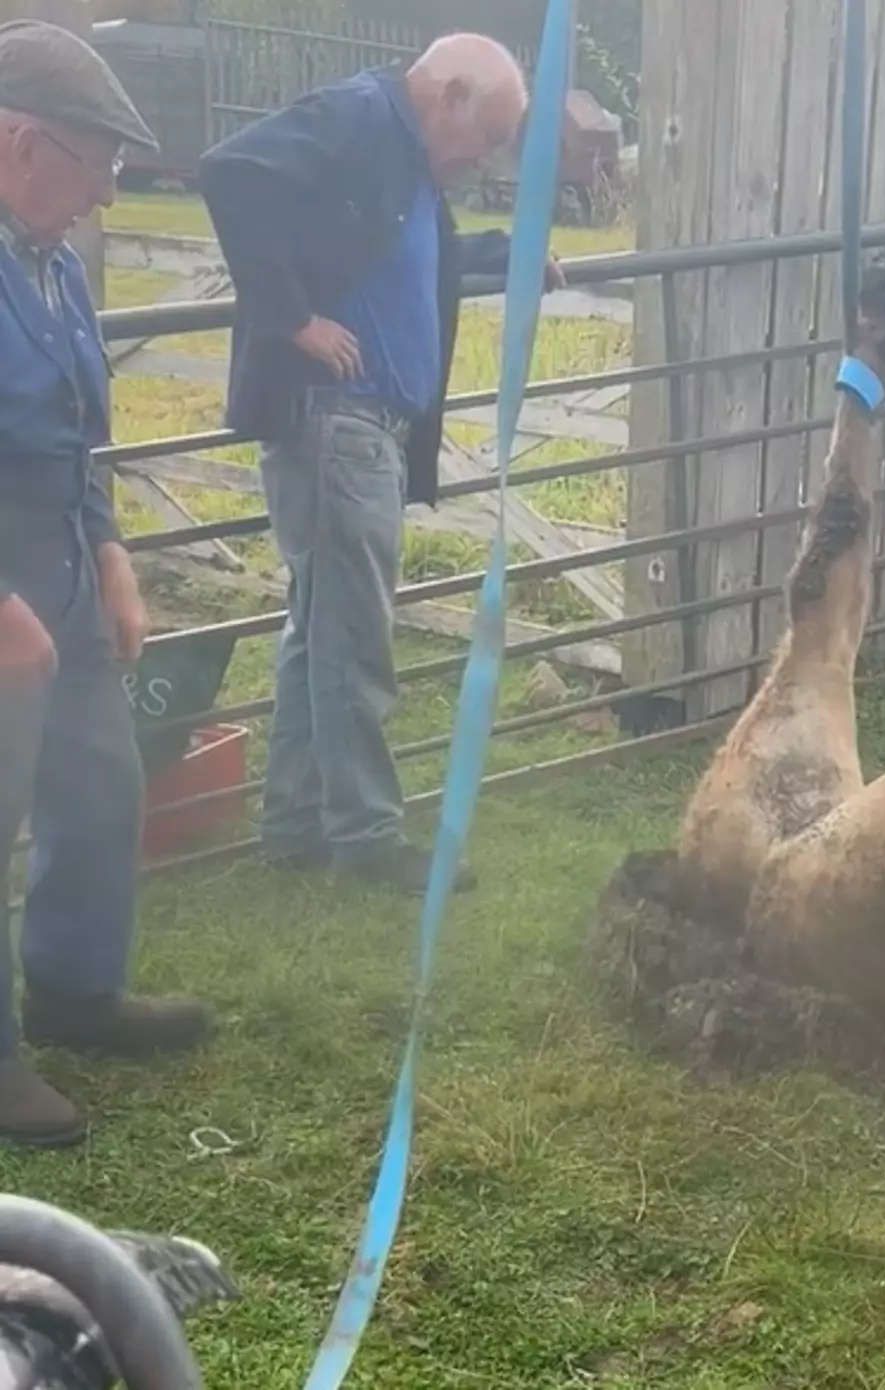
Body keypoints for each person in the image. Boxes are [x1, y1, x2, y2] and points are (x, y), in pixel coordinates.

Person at [197, 34, 564, 897]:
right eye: (486, 135)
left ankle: (293, 826)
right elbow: (230, 173)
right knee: (355, 634)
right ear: (450, 94)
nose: (482, 159)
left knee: (318, 630)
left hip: (360, 429)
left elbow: (409, 259)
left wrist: (505, 255)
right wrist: (291, 319)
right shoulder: (360, 117)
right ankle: (366, 835)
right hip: (336, 423)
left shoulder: (404, 162)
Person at [0, 19, 214, 1147]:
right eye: (97, 166)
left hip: (63, 561)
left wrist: (115, 561)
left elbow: (80, 436)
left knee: (98, 777)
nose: (106, 199)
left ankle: (76, 989)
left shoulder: (50, 272)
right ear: (24, 146)